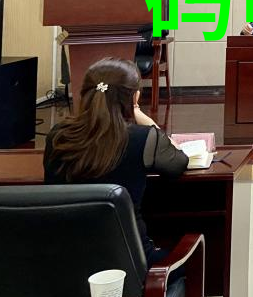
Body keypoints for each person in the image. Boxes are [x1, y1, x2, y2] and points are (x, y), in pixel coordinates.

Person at [43, 58, 188, 269]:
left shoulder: (57, 136)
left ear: (85, 94)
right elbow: (178, 161)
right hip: (130, 265)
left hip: (67, 265)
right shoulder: (144, 139)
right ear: (134, 96)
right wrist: (140, 114)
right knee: (185, 263)